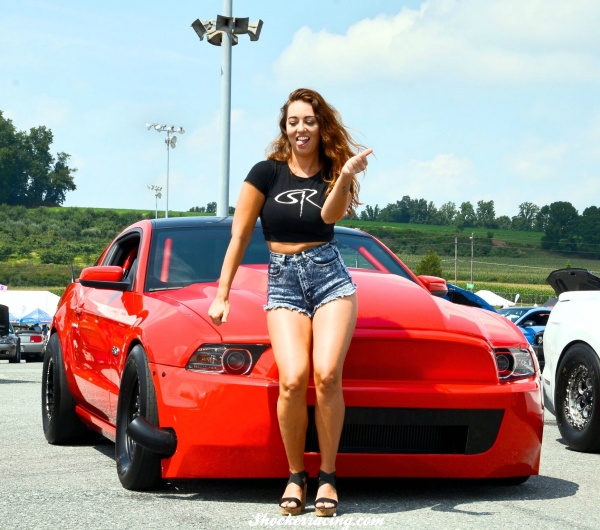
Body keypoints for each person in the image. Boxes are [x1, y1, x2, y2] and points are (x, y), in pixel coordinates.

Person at [208, 88, 372, 517]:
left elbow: (328, 218)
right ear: (285, 127)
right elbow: (240, 236)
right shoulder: (265, 173)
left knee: (327, 373)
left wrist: (346, 176)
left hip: (329, 276)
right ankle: (296, 474)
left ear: (321, 128)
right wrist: (222, 294)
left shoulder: (333, 171)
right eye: (294, 121)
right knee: (293, 378)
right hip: (282, 279)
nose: (301, 128)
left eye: (309, 121)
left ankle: (329, 477)